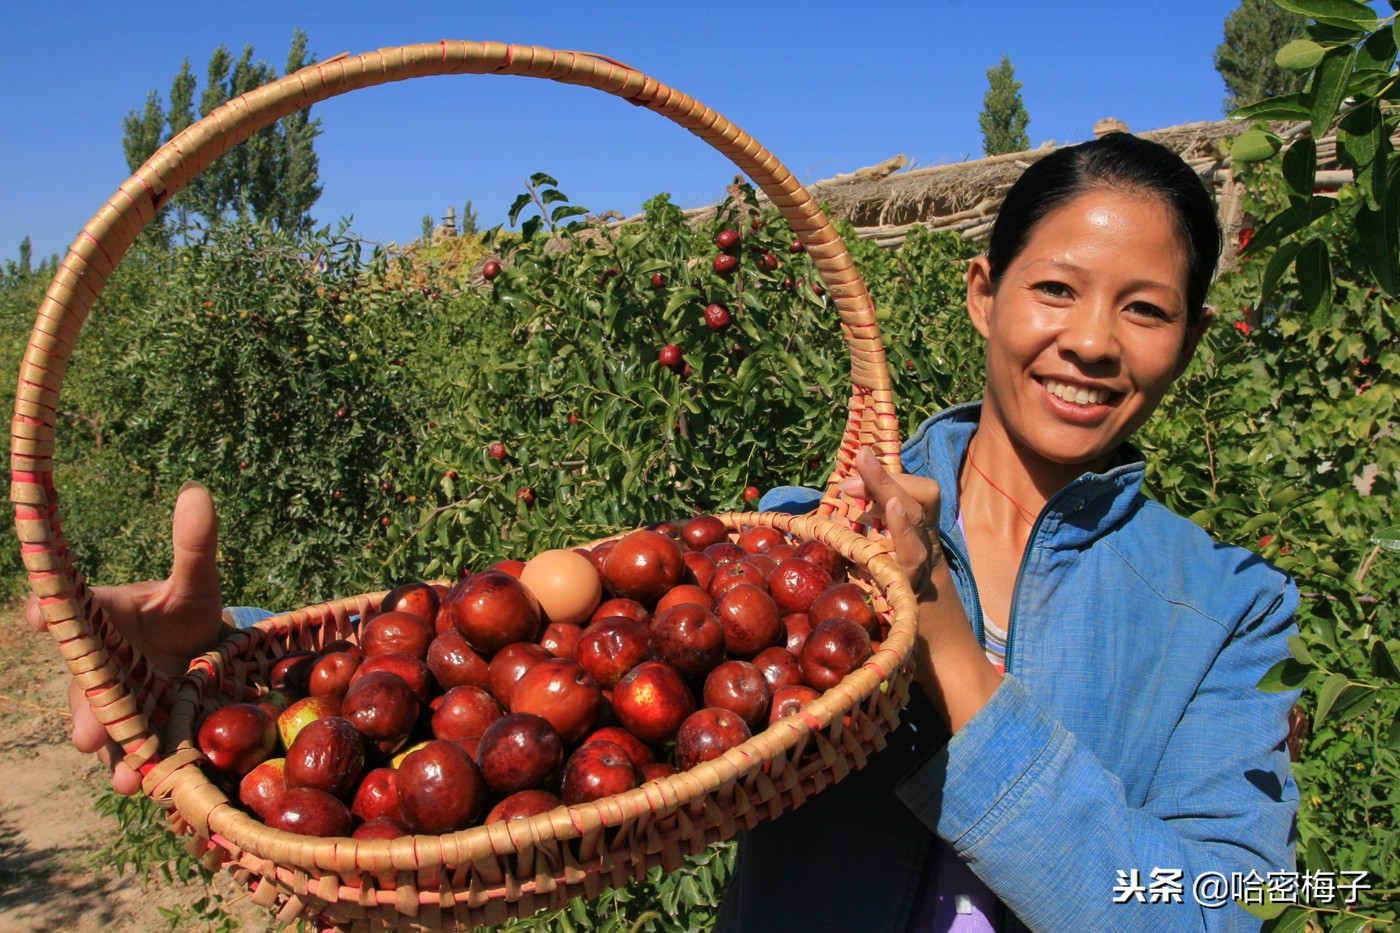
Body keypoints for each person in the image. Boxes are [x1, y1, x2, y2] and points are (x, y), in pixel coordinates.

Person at [31, 132, 1297, 932]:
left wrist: (953, 665)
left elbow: (1222, 909)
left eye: (1145, 309)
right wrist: (238, 661)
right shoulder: (817, 546)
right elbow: (549, 648)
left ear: (1185, 337)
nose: (1088, 340)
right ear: (982, 292)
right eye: (1055, 289)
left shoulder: (1227, 608)